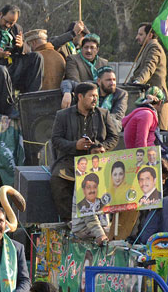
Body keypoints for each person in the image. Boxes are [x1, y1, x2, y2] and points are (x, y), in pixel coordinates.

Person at [50, 82, 118, 243]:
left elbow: (114, 137)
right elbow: (56, 140)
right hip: (71, 160)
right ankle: (70, 220)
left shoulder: (103, 114)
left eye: (96, 96)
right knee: (57, 178)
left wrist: (102, 147)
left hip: (97, 162)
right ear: (80, 97)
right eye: (92, 96)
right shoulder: (63, 115)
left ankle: (107, 225)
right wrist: (75, 145)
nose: (95, 99)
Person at [130, 23, 168, 130]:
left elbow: (149, 67)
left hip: (156, 99)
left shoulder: (154, 47)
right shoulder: (146, 48)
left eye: (141, 34)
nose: (137, 37)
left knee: (157, 136)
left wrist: (138, 82)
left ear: (150, 35)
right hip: (146, 100)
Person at [60, 34, 108, 109]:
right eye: (86, 47)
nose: (88, 50)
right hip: (81, 101)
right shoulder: (73, 60)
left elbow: (107, 83)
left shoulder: (104, 63)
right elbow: (75, 82)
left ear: (97, 50)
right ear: (82, 48)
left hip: (101, 101)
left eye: (92, 48)